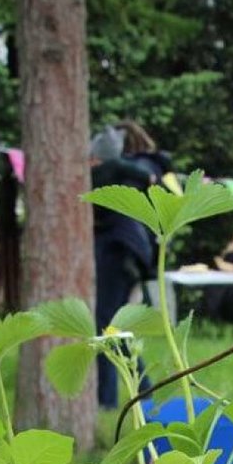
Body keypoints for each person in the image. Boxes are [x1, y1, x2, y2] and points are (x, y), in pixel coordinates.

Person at [90, 126, 155, 407]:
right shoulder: (122, 177)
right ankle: (143, 388)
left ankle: (107, 399)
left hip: (119, 255)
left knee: (106, 326)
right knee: (114, 325)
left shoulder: (107, 172)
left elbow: (115, 164)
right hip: (130, 256)